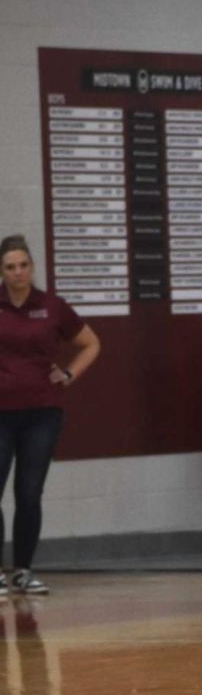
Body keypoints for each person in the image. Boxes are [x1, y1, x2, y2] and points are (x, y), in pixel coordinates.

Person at [0, 235, 100, 596]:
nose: (18, 272)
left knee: (29, 492)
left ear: (32, 267)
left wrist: (69, 375)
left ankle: (23, 570)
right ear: (2, 270)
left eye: (23, 265)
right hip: (1, 414)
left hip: (42, 412)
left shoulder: (52, 306)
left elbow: (91, 344)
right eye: (10, 267)